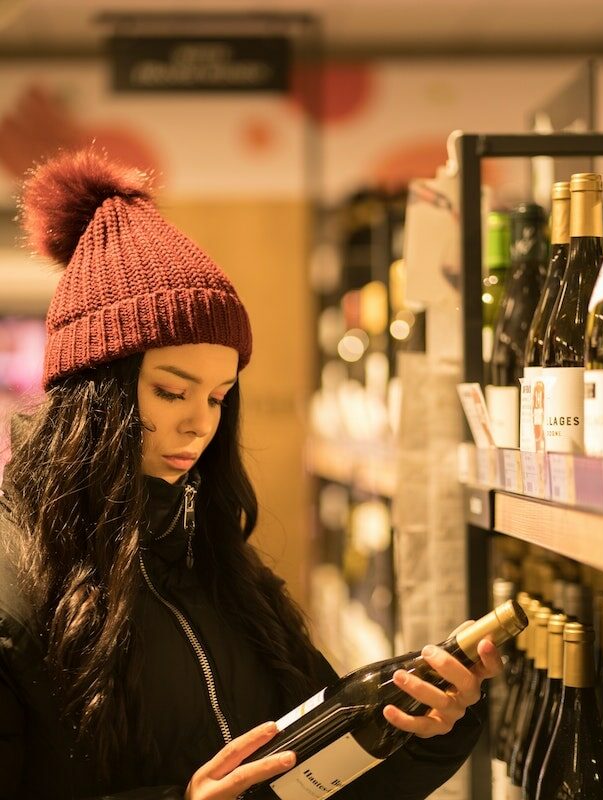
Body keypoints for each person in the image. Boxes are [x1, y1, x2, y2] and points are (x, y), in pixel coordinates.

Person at [0, 149, 501, 800]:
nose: (199, 426)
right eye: (172, 393)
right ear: (96, 393)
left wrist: (421, 733)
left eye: (217, 397)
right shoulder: (16, 588)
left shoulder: (216, 563)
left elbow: (310, 780)